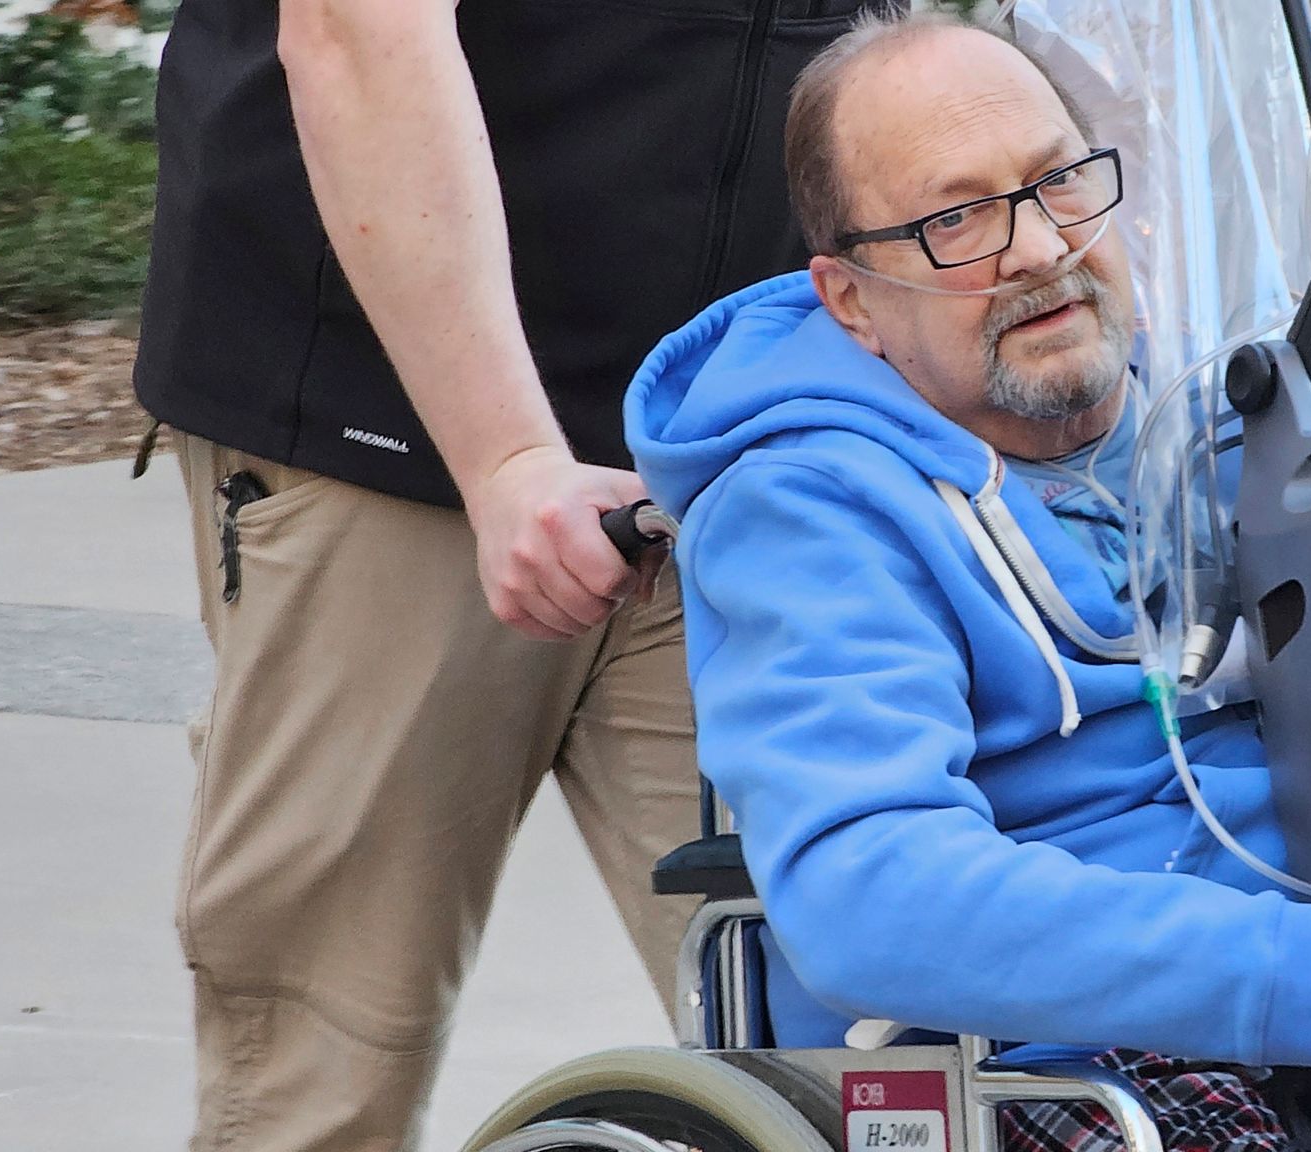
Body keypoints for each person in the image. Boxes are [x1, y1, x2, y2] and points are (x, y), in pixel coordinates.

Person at [628, 11, 1311, 1152]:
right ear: (848, 296)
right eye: (956, 218)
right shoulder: (807, 508)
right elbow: (872, 897)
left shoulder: (1231, 404)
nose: (1037, 246)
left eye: (1058, 180)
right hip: (1067, 1051)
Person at [131, 1, 896, 1148]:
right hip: (386, 422)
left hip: (744, 436)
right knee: (326, 1073)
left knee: (871, 1061)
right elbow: (356, 27)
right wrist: (505, 459)